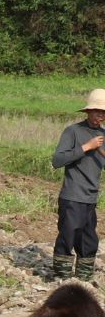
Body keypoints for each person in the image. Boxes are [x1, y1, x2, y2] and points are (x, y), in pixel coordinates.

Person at [51, 88, 105, 281]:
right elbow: (57, 160)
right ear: (88, 111)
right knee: (68, 234)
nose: (100, 115)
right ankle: (61, 279)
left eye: (103, 113)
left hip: (91, 197)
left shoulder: (104, 135)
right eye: (97, 111)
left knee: (89, 239)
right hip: (72, 195)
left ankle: (84, 280)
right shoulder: (73, 131)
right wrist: (87, 147)